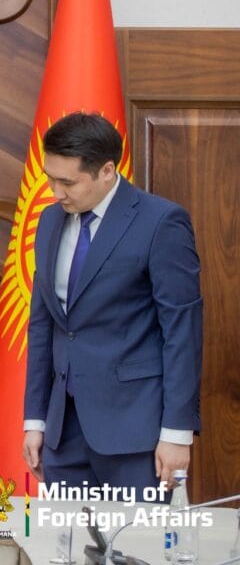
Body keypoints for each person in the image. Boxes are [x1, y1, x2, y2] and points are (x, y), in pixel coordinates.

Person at [24, 112, 202, 491]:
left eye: (68, 182)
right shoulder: (49, 221)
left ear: (107, 170)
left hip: (136, 433)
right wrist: (35, 420)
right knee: (65, 531)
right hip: (62, 433)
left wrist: (177, 432)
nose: (56, 193)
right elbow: (43, 325)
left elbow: (182, 332)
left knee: (138, 533)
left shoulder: (161, 222)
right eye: (50, 179)